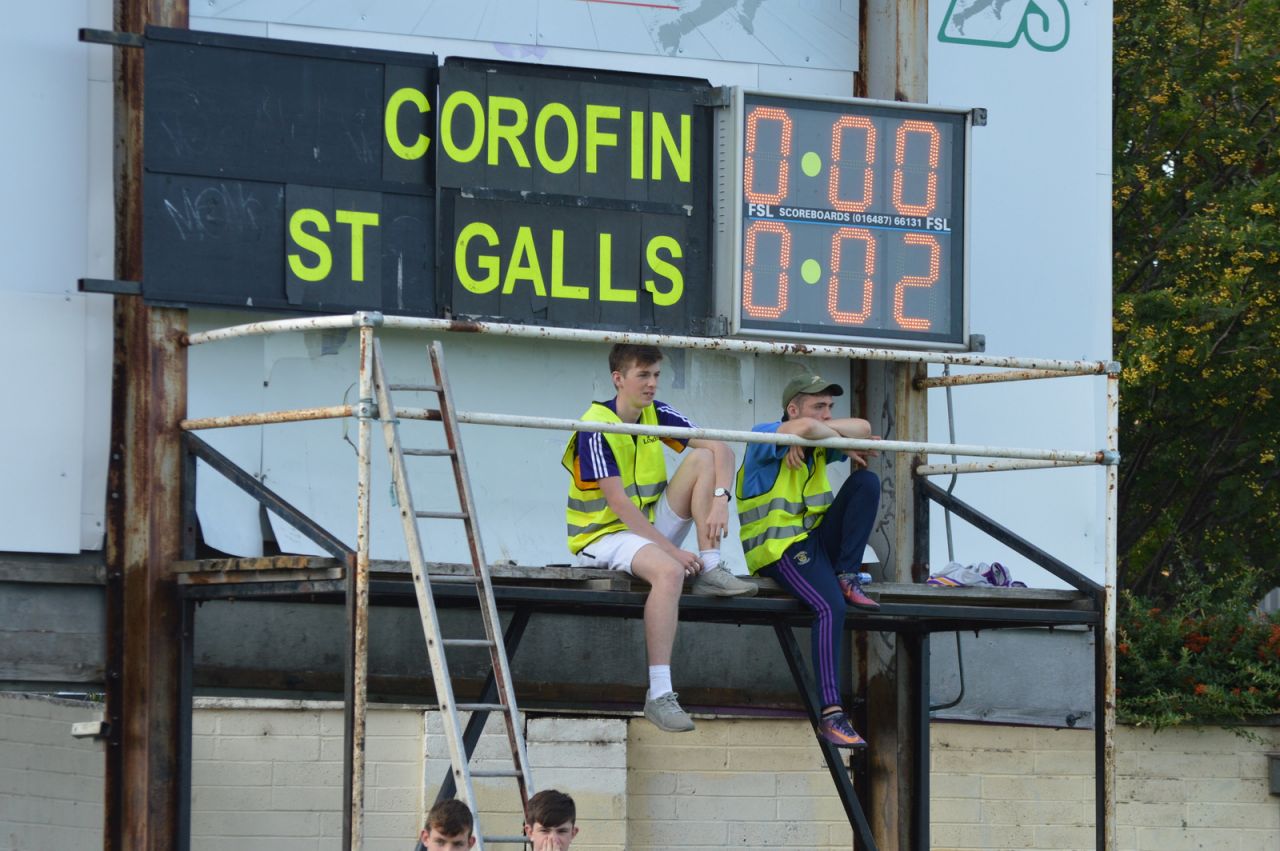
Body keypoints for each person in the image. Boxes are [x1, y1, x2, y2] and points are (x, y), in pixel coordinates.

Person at [562, 344, 757, 733]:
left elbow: (721, 448)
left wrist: (722, 499)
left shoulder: (657, 412)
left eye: (656, 376)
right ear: (619, 379)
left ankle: (712, 566)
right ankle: (659, 694)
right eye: (643, 376)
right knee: (670, 573)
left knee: (703, 457)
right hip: (604, 536)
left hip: (646, 529)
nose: (652, 384)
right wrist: (672, 551)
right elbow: (618, 505)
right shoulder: (595, 426)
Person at [735, 372, 882, 748]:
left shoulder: (815, 436)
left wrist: (819, 434)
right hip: (779, 549)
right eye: (820, 407)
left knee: (866, 482)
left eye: (831, 407)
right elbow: (802, 428)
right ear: (792, 408)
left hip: (817, 544)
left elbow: (864, 427)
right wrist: (801, 433)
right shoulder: (763, 435)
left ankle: (848, 574)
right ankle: (832, 715)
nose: (828, 415)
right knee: (829, 606)